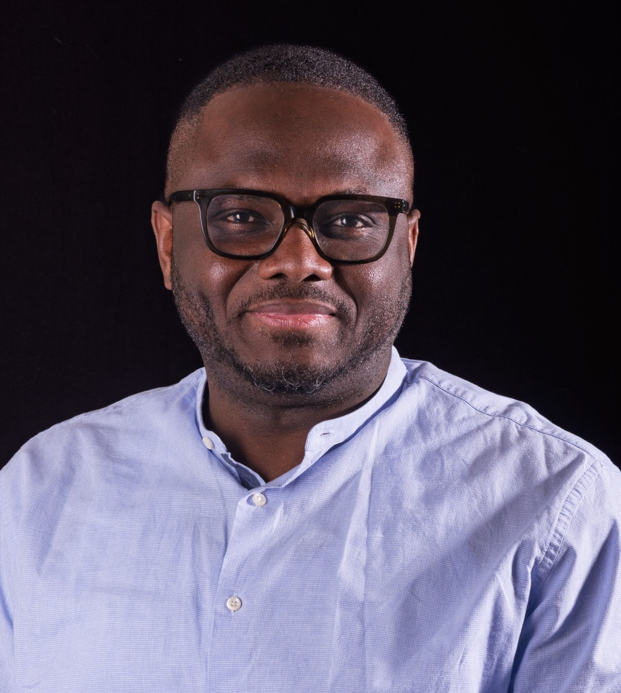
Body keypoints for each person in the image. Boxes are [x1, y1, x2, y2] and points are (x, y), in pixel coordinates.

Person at [1, 45, 619, 693]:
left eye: (349, 219)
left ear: (407, 246)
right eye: (241, 216)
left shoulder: (555, 504)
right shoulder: (41, 492)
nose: (298, 261)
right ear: (167, 243)